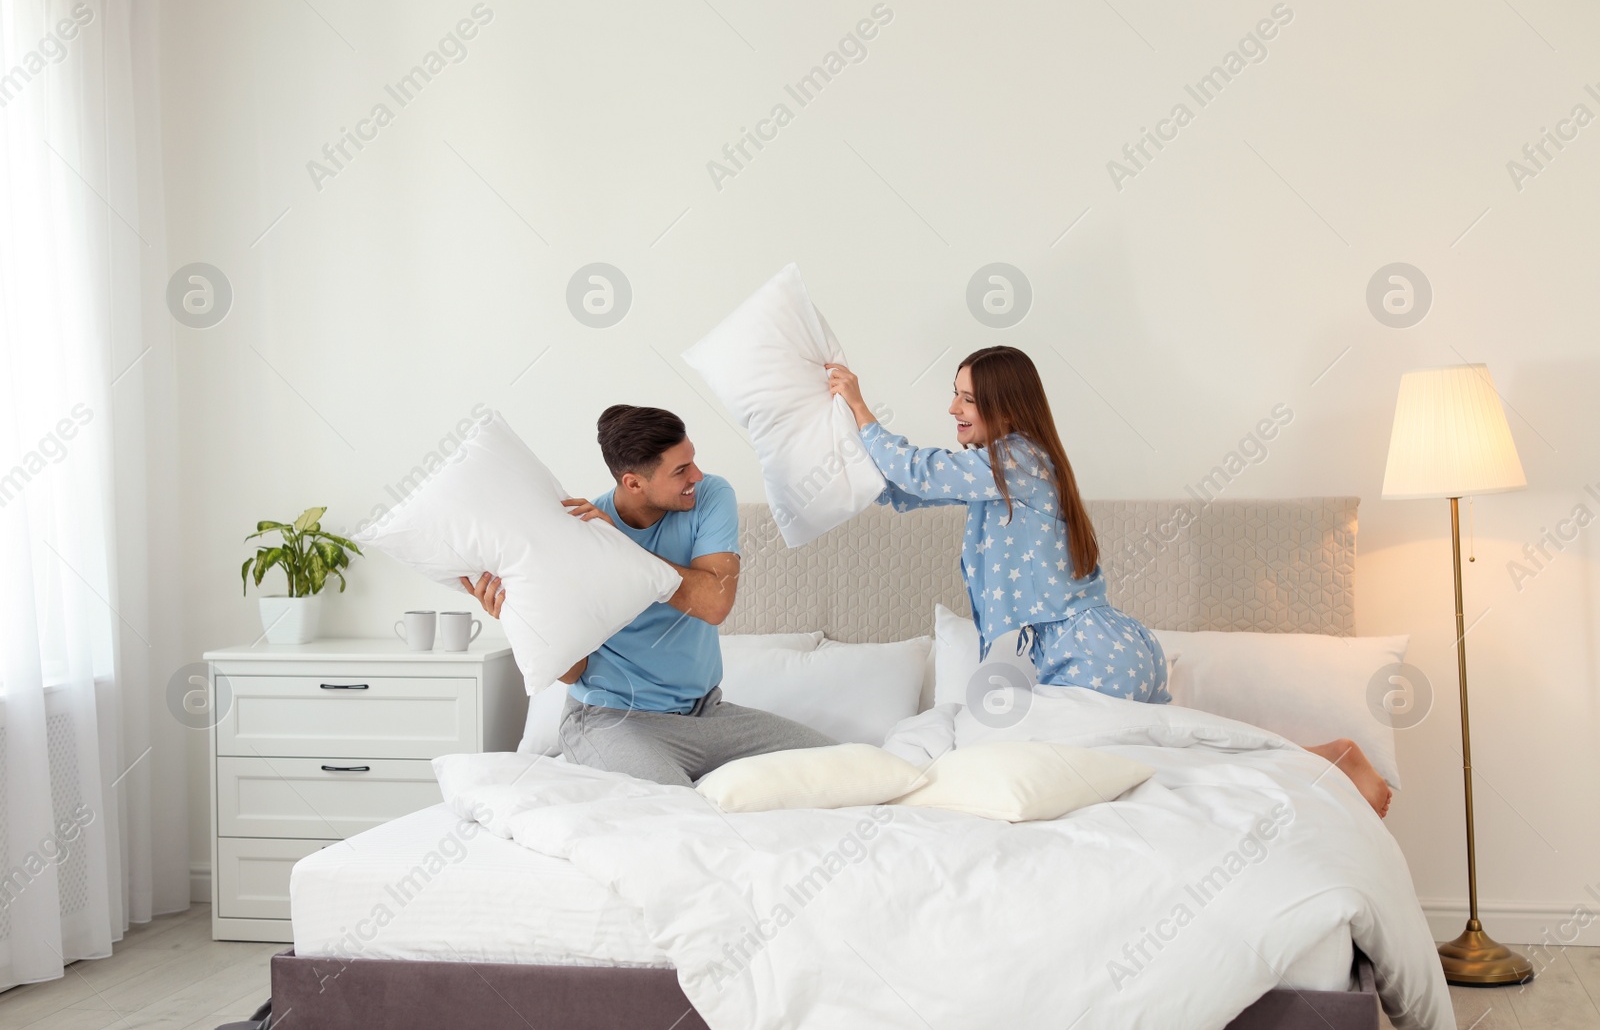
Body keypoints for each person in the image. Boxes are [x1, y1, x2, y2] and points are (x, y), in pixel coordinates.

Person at [826, 346, 1392, 818]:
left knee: (1146, 758)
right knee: (1162, 763)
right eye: (956, 393)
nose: (952, 407)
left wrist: (859, 407)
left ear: (1005, 405)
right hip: (1097, 649)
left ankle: (1323, 762)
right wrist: (837, 449)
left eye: (967, 398)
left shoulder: (1019, 459)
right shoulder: (1002, 471)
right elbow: (906, 489)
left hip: (1089, 654)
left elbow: (918, 470)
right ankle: (1319, 761)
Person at [462, 404, 835, 787]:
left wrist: (623, 551)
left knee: (841, 765)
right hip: (611, 720)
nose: (697, 475)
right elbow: (574, 671)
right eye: (680, 471)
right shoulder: (579, 539)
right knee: (673, 812)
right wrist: (520, 616)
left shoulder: (710, 496)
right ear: (633, 483)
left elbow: (714, 602)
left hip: (706, 716)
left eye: (691, 460)